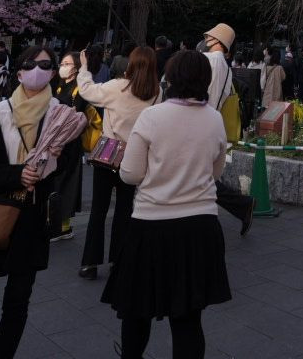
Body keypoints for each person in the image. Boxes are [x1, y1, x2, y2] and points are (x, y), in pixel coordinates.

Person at [102, 50, 231, 358]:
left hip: (152, 224)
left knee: (137, 311)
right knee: (188, 318)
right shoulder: (214, 119)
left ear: (170, 78)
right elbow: (215, 172)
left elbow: (131, 174)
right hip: (200, 225)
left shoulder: (152, 116)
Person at [0, 46, 79, 359]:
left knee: (18, 299)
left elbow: (68, 164)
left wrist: (55, 160)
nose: (38, 70)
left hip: (32, 217)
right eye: (31, 64)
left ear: (53, 72)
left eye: (45, 65)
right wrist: (17, 174)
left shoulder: (62, 117)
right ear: (20, 71)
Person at [77, 45, 161, 279]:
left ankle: (90, 263)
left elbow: (86, 90)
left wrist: (84, 68)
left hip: (109, 153)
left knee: (98, 209)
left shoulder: (116, 87)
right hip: (134, 156)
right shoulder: (156, 93)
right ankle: (119, 259)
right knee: (125, 209)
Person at [200, 24, 255, 234]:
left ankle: (242, 206)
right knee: (202, 177)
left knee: (200, 177)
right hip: (213, 121)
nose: (206, 38)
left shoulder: (209, 60)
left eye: (210, 36)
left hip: (200, 120)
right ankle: (242, 206)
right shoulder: (224, 65)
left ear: (219, 40)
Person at [51, 50, 92, 242]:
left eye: (67, 64)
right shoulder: (60, 86)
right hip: (56, 141)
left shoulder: (80, 89)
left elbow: (77, 115)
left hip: (71, 143)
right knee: (56, 183)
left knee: (67, 184)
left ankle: (63, 227)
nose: (63, 67)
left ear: (76, 68)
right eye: (62, 63)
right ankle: (54, 223)